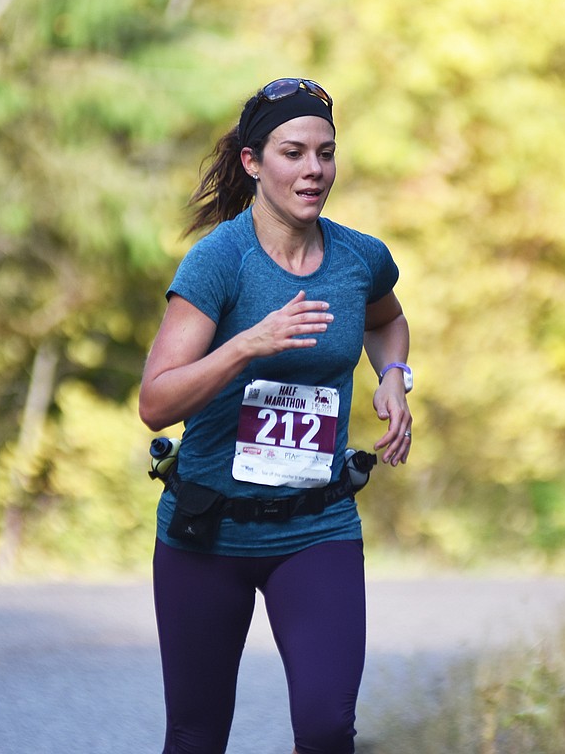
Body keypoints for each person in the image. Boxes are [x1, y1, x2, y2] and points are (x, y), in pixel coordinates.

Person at [138, 77, 412, 754]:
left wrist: (396, 377)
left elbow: (388, 320)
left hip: (317, 527)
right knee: (197, 735)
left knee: (325, 729)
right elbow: (155, 402)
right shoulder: (217, 263)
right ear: (252, 162)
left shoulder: (358, 258)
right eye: (293, 152)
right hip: (208, 532)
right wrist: (245, 346)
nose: (314, 170)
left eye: (326, 153)